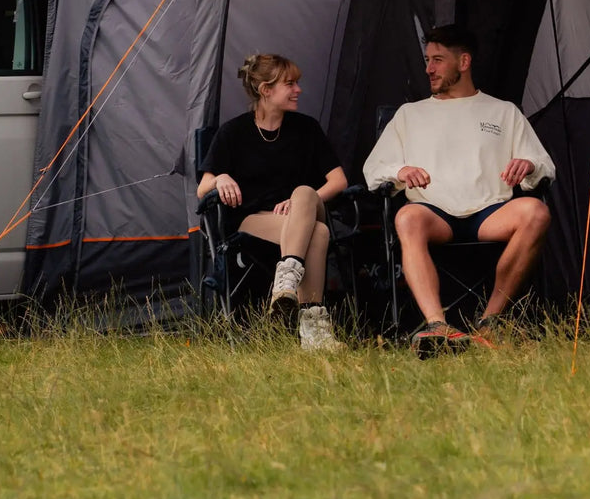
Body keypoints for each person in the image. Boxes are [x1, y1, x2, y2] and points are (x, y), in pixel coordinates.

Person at [363, 24, 555, 356]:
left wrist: (529, 165)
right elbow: (373, 170)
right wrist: (401, 170)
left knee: (536, 212)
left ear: (463, 62)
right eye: (427, 60)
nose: (429, 69)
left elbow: (544, 166)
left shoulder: (503, 111)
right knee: (407, 218)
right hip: (434, 213)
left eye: (437, 60)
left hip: (489, 212)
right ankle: (437, 325)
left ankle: (489, 323)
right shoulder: (410, 114)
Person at [197, 53, 348, 351]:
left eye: (297, 83)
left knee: (304, 192)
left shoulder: (307, 128)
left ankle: (287, 280)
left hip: (305, 208)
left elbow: (339, 181)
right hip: (256, 219)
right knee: (319, 233)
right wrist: (221, 178)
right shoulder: (233, 132)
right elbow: (203, 189)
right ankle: (314, 332)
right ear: (266, 89)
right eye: (289, 84)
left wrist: (299, 204)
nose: (298, 90)